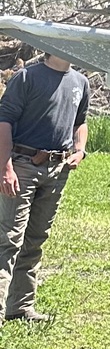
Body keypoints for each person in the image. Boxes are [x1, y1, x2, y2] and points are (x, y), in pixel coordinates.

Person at [0, 50, 91, 324]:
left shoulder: (80, 82)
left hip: (57, 170)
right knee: (8, 240)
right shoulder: (26, 77)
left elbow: (81, 122)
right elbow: (4, 121)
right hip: (23, 165)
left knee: (36, 239)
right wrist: (6, 167)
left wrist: (80, 149)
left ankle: (20, 307)